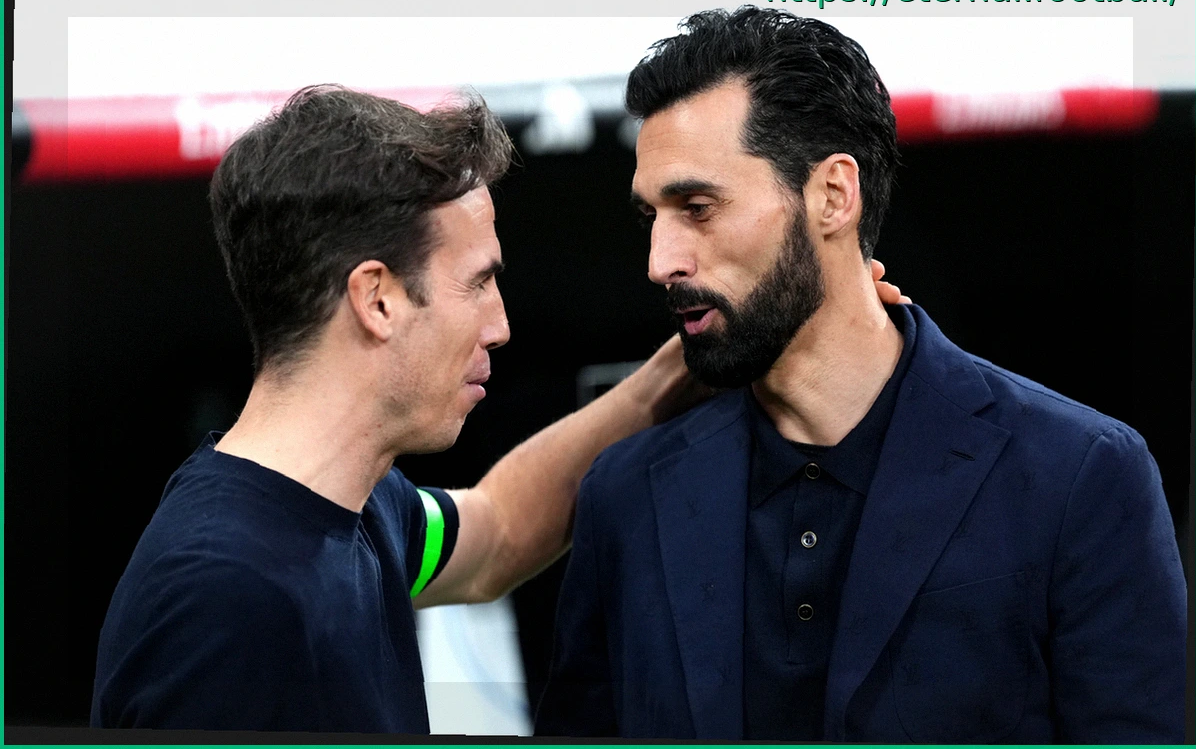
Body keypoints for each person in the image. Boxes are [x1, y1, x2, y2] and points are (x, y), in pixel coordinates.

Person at [87, 82, 914, 733]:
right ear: (377, 298)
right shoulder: (227, 597)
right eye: (479, 282)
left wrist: (682, 373)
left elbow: (500, 531)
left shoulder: (357, 507)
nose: (501, 324)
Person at [535, 7, 1187, 743]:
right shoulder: (626, 499)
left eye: (697, 208)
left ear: (833, 196)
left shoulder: (1079, 476)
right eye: (651, 216)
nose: (660, 262)